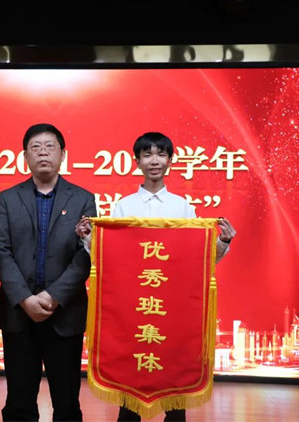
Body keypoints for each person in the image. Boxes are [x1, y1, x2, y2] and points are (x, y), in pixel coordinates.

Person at [75, 131, 236, 422]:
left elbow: (200, 259)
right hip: (133, 309)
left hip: (171, 309)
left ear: (170, 161)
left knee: (174, 385)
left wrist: (222, 241)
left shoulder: (182, 207)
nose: (154, 161)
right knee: (131, 385)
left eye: (161, 154)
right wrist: (87, 238)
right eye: (147, 154)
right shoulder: (124, 206)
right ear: (137, 161)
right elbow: (109, 256)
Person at [0, 123, 97, 421]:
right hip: (18, 314)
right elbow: (1, 251)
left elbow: (85, 254)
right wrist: (25, 298)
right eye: (35, 147)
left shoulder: (83, 199)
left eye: (50, 146)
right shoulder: (7, 198)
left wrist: (53, 296)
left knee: (67, 403)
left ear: (63, 154)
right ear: (25, 156)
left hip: (64, 313)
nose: (43, 153)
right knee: (19, 403)